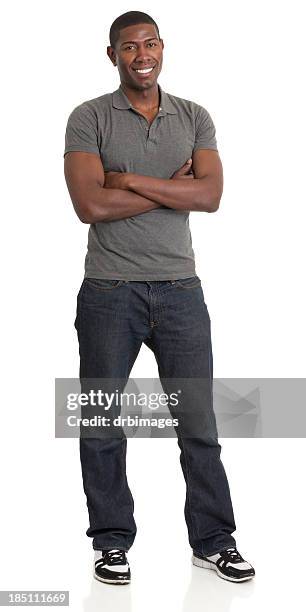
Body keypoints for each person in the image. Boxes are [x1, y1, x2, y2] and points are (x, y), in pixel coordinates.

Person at [63, 10, 255, 585]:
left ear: (163, 48)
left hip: (181, 293)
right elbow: (89, 207)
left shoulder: (194, 116)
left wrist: (126, 180)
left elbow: (213, 195)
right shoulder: (88, 117)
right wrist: (175, 189)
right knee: (100, 423)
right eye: (128, 47)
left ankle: (214, 541)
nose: (141, 54)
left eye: (149, 44)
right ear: (113, 55)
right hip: (107, 294)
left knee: (198, 423)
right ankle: (111, 543)